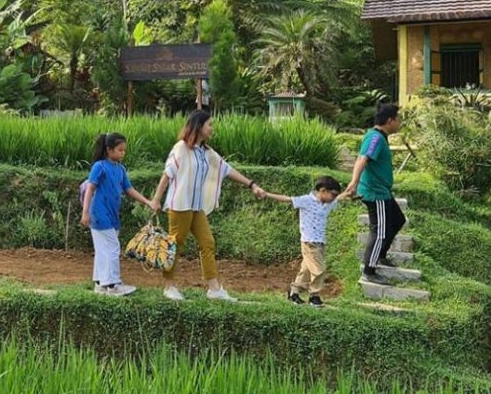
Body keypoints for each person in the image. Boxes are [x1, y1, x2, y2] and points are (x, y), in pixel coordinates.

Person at [150, 109, 266, 302]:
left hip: (196, 206)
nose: (212, 128)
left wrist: (252, 185)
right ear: (199, 126)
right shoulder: (181, 148)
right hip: (180, 205)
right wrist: (156, 199)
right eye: (209, 124)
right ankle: (169, 287)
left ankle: (214, 289)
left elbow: (226, 169)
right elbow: (167, 174)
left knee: (207, 243)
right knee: (176, 244)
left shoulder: (206, 152)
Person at [81, 132, 160, 296]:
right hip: (99, 213)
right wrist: (86, 212)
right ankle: (113, 285)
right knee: (112, 248)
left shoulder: (120, 169)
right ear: (109, 150)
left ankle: (100, 284)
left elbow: (129, 189)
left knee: (103, 249)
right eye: (120, 150)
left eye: (124, 150)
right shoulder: (100, 167)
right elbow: (90, 188)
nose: (123, 153)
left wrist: (147, 201)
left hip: (111, 214)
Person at [343, 104, 405, 286]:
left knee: (398, 220)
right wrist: (353, 183)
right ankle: (369, 271)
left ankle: (381, 255)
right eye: (398, 119)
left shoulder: (380, 138)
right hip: (375, 193)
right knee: (379, 231)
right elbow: (362, 159)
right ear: (389, 121)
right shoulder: (375, 138)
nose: (399, 122)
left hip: (382, 191)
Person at [264, 176, 347, 307]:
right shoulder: (307, 200)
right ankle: (314, 296)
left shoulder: (328, 204)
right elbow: (287, 199)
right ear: (323, 190)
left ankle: (294, 293)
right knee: (319, 270)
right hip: (309, 242)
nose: (334, 198)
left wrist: (350, 191)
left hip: (320, 243)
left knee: (307, 270)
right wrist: (266, 194)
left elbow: (342, 197)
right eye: (333, 194)